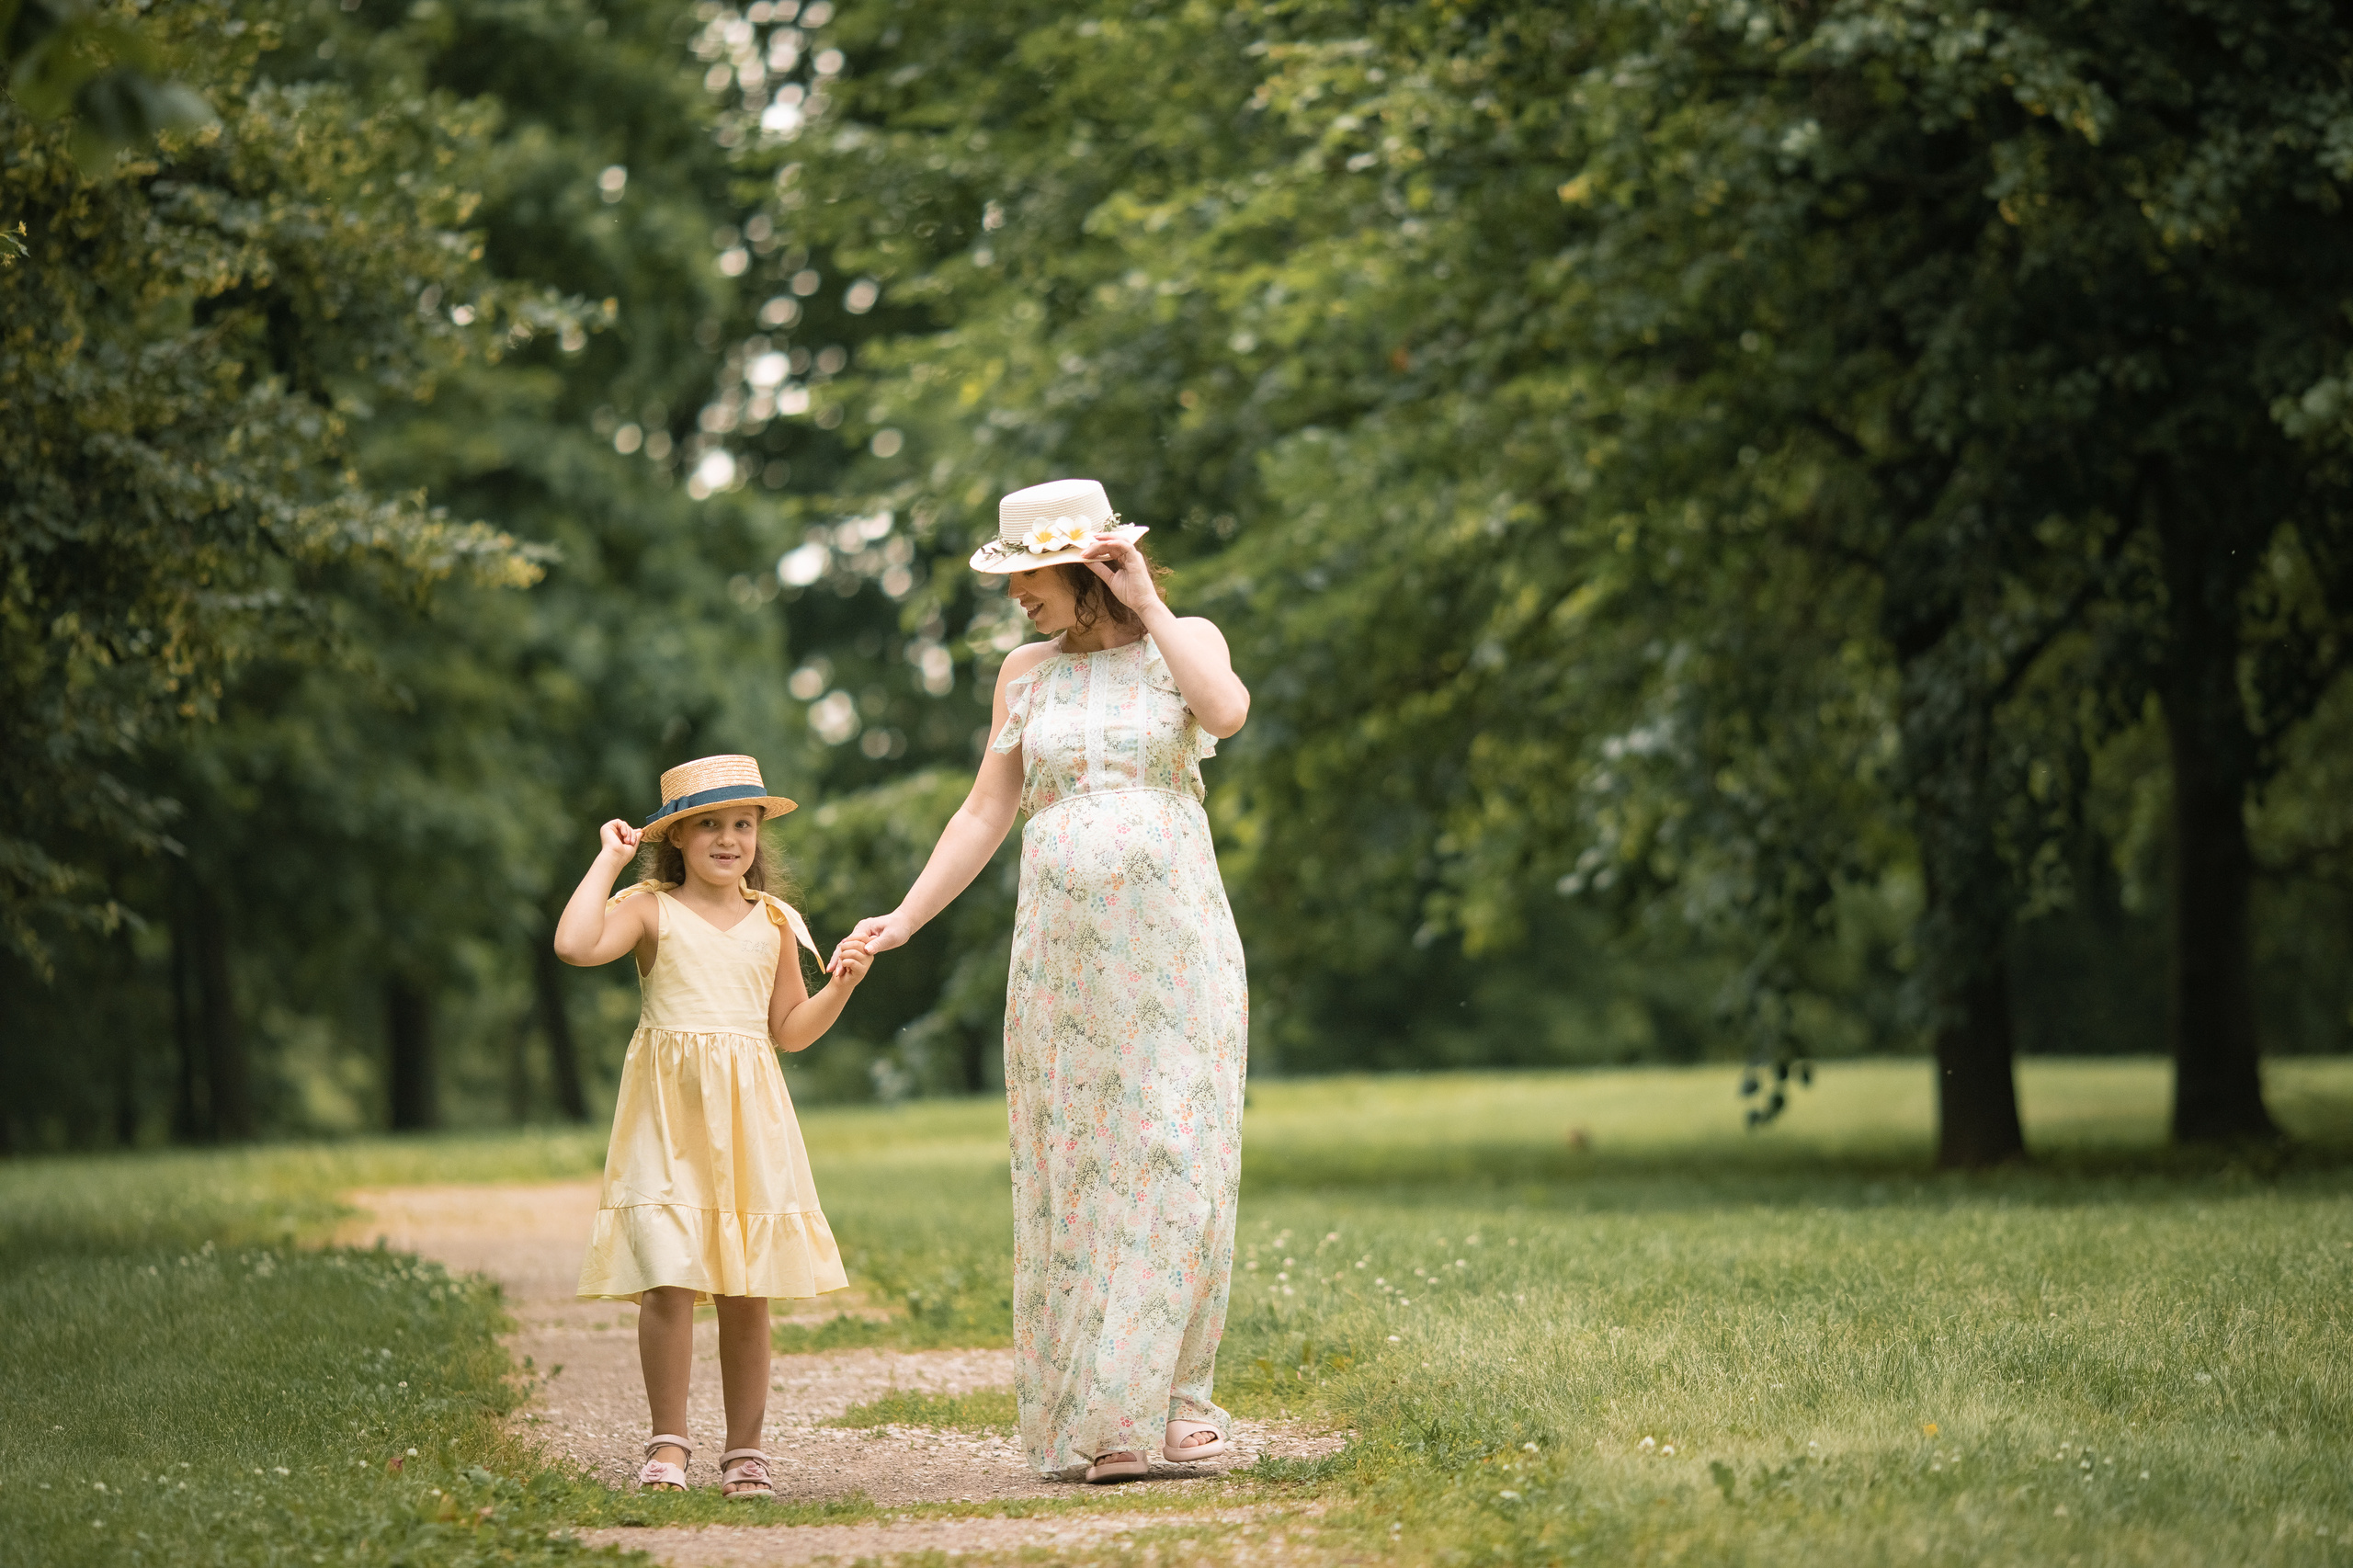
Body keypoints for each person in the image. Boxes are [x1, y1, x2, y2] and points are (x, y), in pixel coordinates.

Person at [837, 478, 1251, 1483]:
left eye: (1030, 575)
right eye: (1013, 575)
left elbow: (1227, 713)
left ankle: (1176, 1394)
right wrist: (904, 914)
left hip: (1175, 943)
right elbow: (982, 813)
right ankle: (1108, 1416)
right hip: (1065, 959)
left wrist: (1148, 601)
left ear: (1086, 567)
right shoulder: (1024, 674)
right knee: (1085, 1161)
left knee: (1176, 1151)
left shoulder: (1179, 640)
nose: (1018, 595)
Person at [553, 754, 872, 1501]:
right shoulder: (648, 908)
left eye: (743, 825)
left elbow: (790, 1030)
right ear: (678, 839)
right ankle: (668, 1442)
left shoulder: (776, 923)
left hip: (748, 1121)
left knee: (745, 1284)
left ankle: (746, 1452)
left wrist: (843, 987)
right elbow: (573, 944)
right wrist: (608, 861)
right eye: (709, 827)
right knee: (668, 1276)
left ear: (758, 835)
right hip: (667, 1121)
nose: (729, 840)